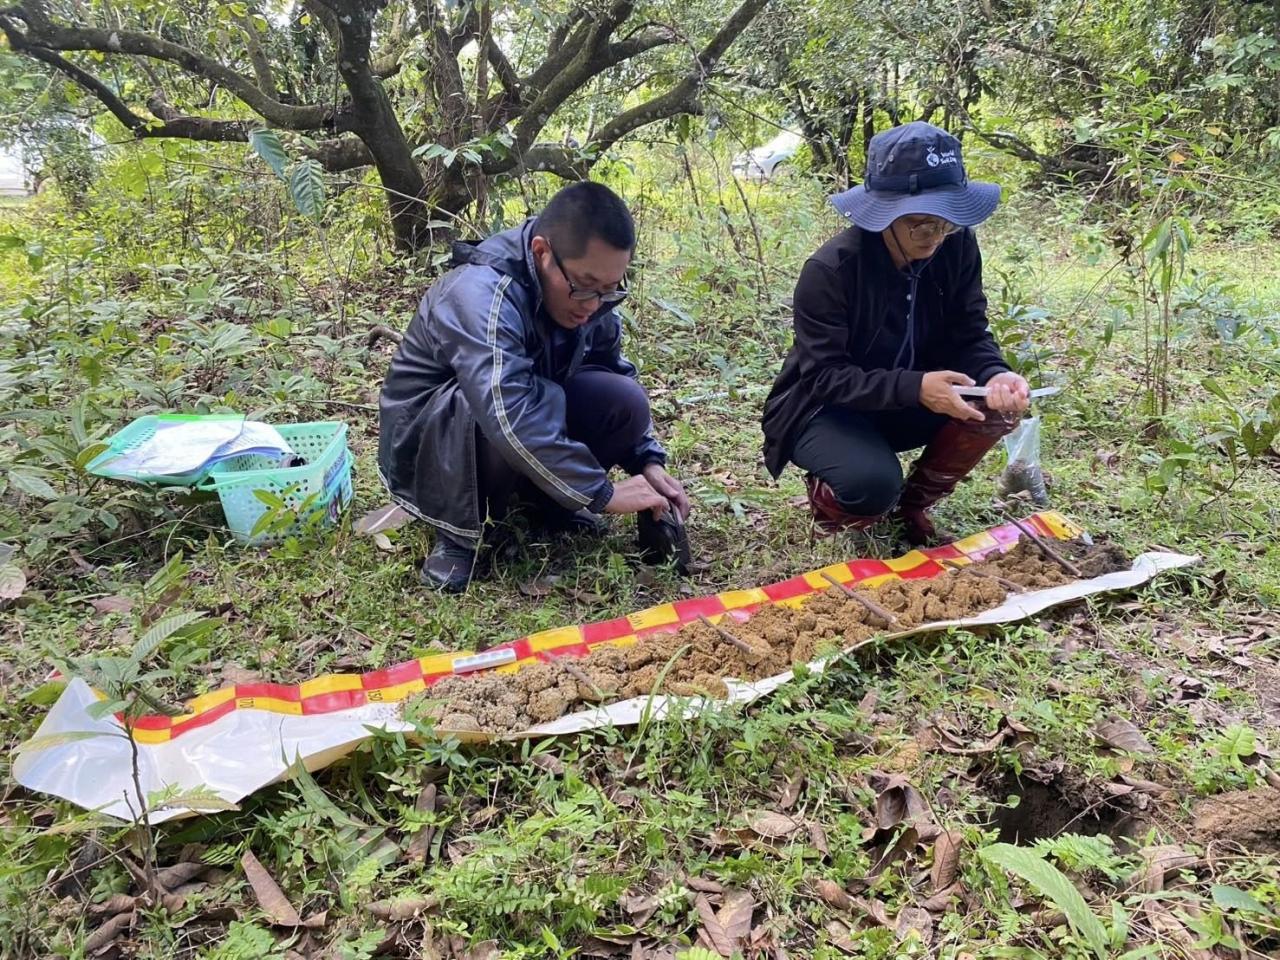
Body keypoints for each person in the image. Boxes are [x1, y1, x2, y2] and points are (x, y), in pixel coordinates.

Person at [379, 182, 690, 592]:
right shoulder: (482, 295)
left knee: (623, 399)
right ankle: (457, 535)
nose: (594, 304)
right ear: (542, 253)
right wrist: (600, 493)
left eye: (610, 289)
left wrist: (647, 462)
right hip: (434, 445)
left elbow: (611, 370)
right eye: (584, 286)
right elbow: (508, 412)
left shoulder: (593, 296)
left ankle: (550, 504)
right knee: (511, 401)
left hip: (519, 423)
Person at [761, 122, 1030, 546]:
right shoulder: (831, 271)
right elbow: (823, 377)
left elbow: (969, 330)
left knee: (994, 407)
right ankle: (843, 501)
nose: (936, 237)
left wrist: (995, 373)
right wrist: (917, 387)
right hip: (826, 408)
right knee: (870, 482)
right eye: (921, 224)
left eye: (947, 223)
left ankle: (913, 505)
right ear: (883, 214)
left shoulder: (956, 247)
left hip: (912, 395)